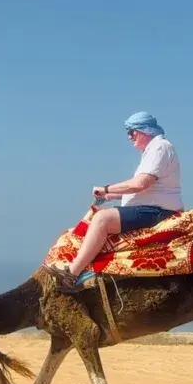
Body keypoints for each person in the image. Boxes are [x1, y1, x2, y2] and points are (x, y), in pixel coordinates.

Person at [47, 111, 184, 292]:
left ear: (145, 131)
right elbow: (146, 188)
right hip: (149, 207)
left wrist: (107, 189)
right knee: (95, 219)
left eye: (131, 131)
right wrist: (111, 196)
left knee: (102, 219)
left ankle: (71, 274)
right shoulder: (153, 150)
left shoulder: (160, 148)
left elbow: (140, 184)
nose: (129, 137)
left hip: (156, 211)